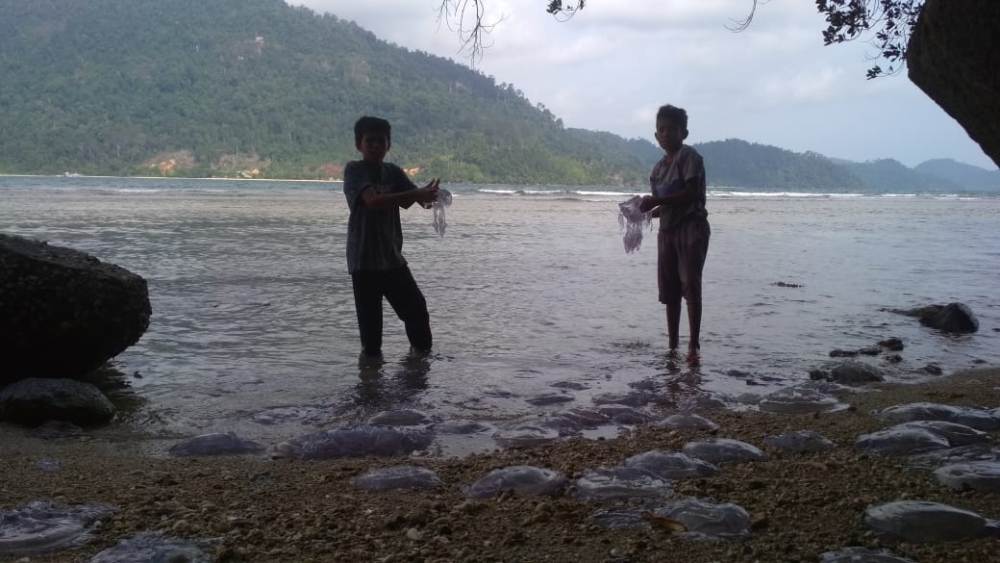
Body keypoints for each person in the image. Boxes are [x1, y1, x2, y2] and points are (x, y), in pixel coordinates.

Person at [343, 115, 441, 360]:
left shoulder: (393, 172)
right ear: (359, 144)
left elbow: (415, 200)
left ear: (389, 145)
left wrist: (429, 197)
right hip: (364, 263)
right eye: (370, 141)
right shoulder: (354, 170)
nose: (376, 145)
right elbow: (372, 201)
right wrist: (416, 193)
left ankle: (419, 369)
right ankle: (370, 387)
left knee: (417, 312)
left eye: (381, 141)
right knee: (371, 334)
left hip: (392, 259)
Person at [639, 105, 710, 365]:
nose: (666, 134)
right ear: (656, 136)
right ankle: (672, 345)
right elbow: (667, 206)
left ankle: (693, 345)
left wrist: (655, 201)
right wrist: (645, 212)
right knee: (670, 292)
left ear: (684, 132)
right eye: (661, 130)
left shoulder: (689, 157)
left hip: (691, 229)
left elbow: (690, 195)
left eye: (671, 129)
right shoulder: (657, 170)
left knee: (690, 286)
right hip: (668, 232)